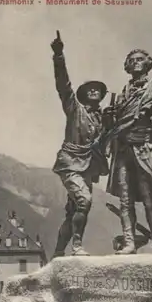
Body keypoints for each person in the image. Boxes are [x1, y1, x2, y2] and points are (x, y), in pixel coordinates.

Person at [101, 49, 152, 254]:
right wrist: (109, 117)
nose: (135, 63)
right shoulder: (123, 94)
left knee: (149, 198)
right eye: (131, 61)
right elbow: (115, 125)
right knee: (125, 199)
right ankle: (129, 243)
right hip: (123, 150)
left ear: (148, 64)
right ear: (127, 66)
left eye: (140, 60)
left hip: (146, 148)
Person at [51, 31, 108, 257]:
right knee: (84, 201)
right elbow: (63, 84)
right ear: (83, 95)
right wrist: (59, 56)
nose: (95, 90)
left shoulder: (103, 118)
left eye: (98, 89)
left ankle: (57, 252)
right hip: (70, 163)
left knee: (73, 210)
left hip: (87, 167)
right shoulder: (75, 109)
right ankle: (76, 246)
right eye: (90, 89)